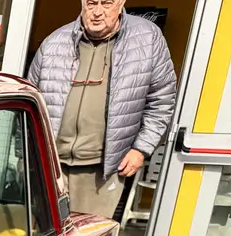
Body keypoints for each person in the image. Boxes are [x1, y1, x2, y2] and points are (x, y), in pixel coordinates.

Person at [27, 0, 176, 218]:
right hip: (51, 166)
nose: (97, 12)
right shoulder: (54, 42)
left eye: (106, 3)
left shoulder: (147, 39)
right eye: (91, 3)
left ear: (121, 3)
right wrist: (27, 153)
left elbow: (162, 101)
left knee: (88, 235)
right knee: (44, 234)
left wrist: (141, 149)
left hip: (101, 171)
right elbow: (31, 101)